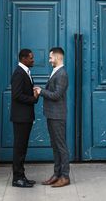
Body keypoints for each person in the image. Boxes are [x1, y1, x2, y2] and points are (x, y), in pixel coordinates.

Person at [34, 47, 70, 187]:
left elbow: (56, 95)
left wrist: (41, 91)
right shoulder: (56, 71)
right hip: (51, 114)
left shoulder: (62, 74)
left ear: (57, 57)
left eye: (50, 57)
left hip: (57, 115)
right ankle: (56, 174)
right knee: (55, 146)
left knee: (61, 146)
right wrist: (41, 89)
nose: (49, 60)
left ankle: (65, 176)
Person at [10, 48, 39, 188]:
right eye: (31, 58)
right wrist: (33, 98)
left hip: (25, 117)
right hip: (21, 118)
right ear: (24, 58)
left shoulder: (25, 72)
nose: (33, 60)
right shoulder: (19, 73)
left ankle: (22, 176)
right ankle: (17, 178)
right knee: (19, 148)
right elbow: (16, 95)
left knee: (22, 148)